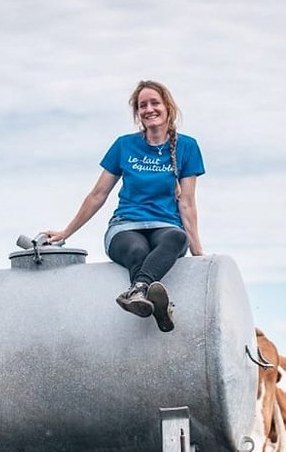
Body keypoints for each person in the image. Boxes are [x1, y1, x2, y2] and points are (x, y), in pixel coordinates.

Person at [42, 80, 204, 332]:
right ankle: (154, 301)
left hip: (165, 226)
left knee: (175, 237)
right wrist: (66, 232)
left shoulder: (187, 147)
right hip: (125, 226)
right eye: (142, 105)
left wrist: (199, 254)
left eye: (154, 103)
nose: (149, 109)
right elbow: (98, 194)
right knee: (137, 250)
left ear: (167, 107)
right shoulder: (124, 145)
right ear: (137, 113)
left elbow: (187, 203)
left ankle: (139, 292)